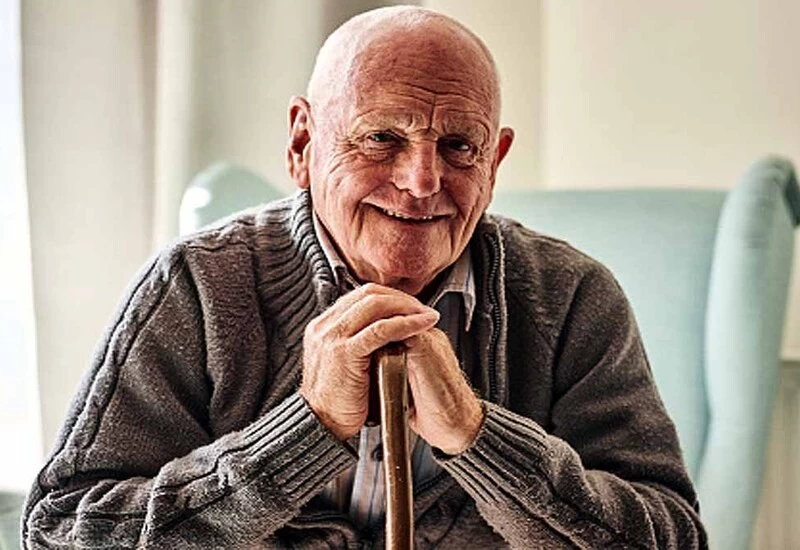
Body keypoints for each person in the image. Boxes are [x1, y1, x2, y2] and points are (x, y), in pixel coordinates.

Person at [23, 6, 706, 548]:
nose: (422, 181)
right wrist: (305, 431)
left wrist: (477, 435)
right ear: (302, 142)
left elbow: (674, 535)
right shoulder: (197, 285)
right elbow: (60, 531)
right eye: (382, 138)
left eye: (459, 146)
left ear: (495, 162)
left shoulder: (573, 297)